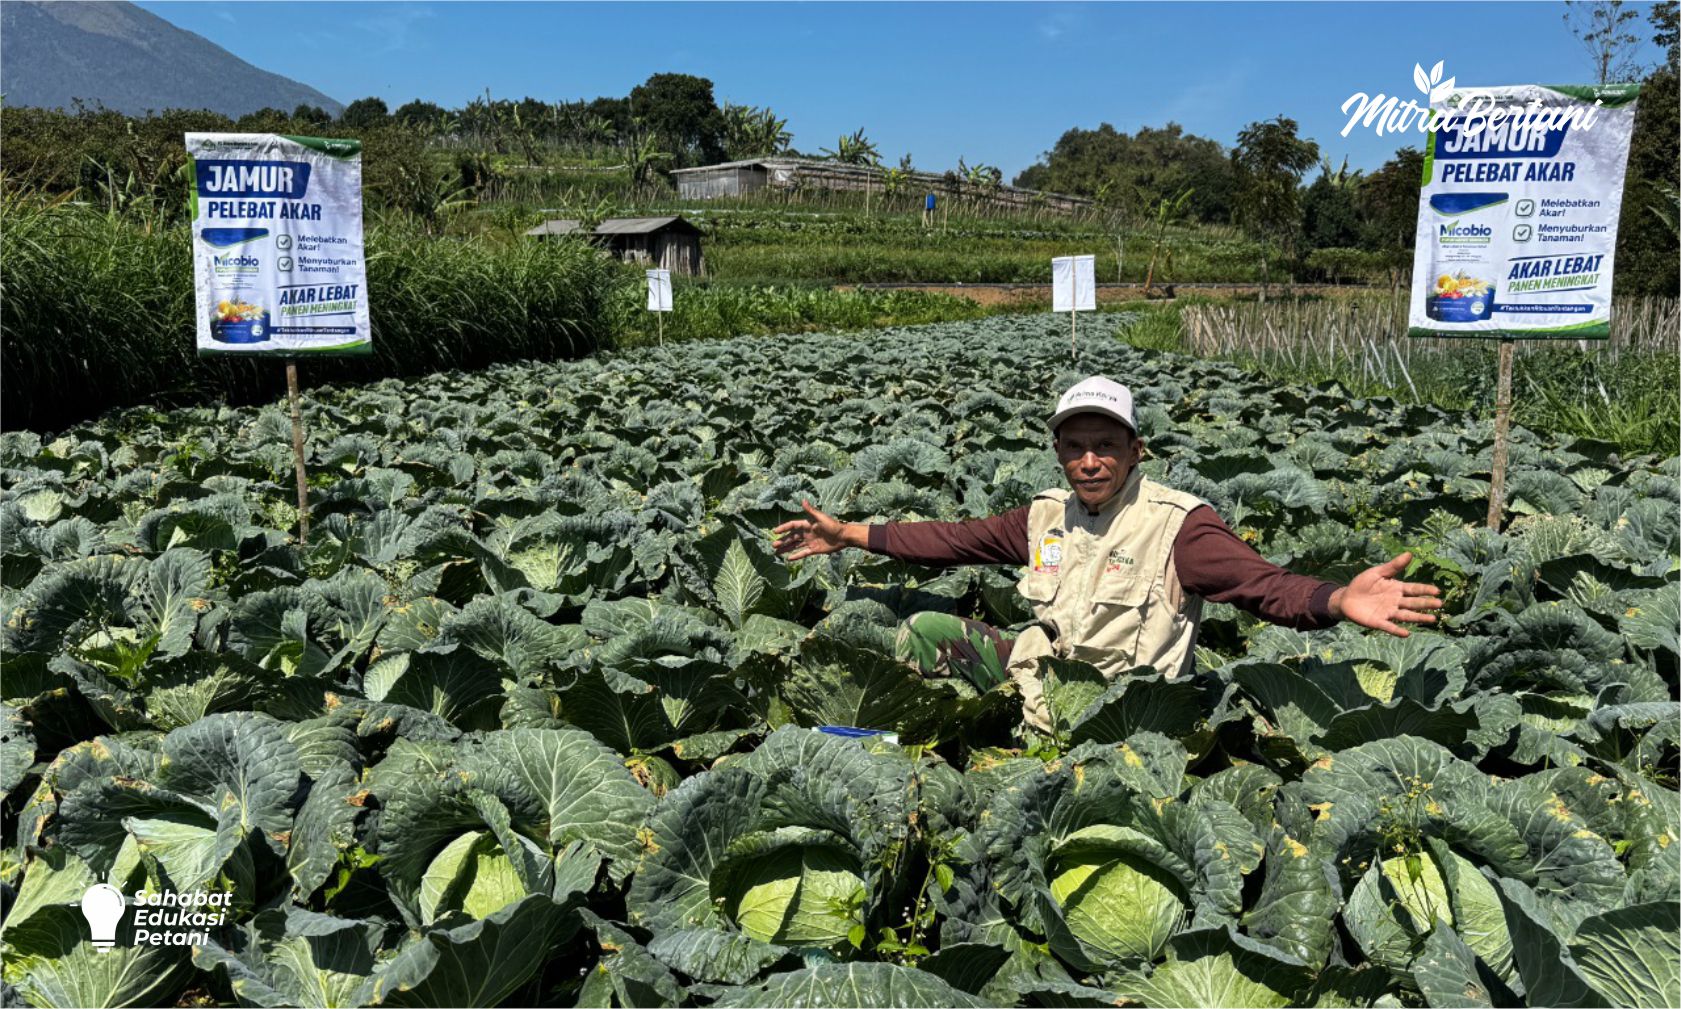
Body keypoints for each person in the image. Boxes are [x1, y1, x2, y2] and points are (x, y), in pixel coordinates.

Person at [772, 375, 1443, 734]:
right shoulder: (1044, 516)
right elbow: (951, 539)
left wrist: (1335, 599)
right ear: (1059, 452)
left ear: (1134, 451)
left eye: (1104, 445)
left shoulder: (1180, 526)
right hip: (1038, 683)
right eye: (1073, 446)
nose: (1088, 460)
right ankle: (915, 744)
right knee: (924, 630)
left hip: (1122, 718)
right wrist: (850, 533)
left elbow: (1262, 586)